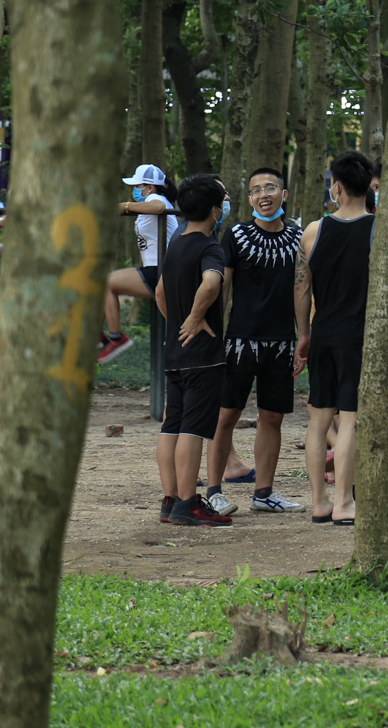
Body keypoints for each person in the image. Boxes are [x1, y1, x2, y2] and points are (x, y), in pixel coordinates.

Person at [209, 167, 305, 516]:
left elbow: (302, 291)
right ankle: (215, 492)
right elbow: (222, 288)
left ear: (285, 193)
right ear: (248, 199)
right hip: (238, 341)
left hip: (281, 343)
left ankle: (264, 493)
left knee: (272, 418)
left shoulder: (299, 238)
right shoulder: (235, 235)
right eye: (255, 190)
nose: (263, 195)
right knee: (226, 416)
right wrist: (215, 336)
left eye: (271, 188)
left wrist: (303, 336)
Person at [294, 151, 376, 526]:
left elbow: (301, 291)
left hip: (323, 334)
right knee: (351, 419)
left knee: (319, 421)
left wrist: (304, 334)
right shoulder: (380, 229)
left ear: (336, 187)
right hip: (360, 338)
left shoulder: (313, 231)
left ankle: (319, 502)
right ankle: (344, 502)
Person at [155, 174, 231, 527]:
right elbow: (212, 282)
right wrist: (195, 318)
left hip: (174, 355)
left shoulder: (174, 245)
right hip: (202, 356)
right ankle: (188, 502)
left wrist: (177, 325)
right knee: (194, 428)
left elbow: (159, 293)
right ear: (215, 210)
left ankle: (170, 500)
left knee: (171, 425)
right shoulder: (208, 246)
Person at [101, 163, 179, 363]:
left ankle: (116, 338)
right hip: (155, 268)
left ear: (150, 187)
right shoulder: (148, 202)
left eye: (138, 186)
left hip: (161, 271)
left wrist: (125, 206)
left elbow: (158, 207)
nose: (135, 190)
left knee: (106, 283)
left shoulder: (156, 198)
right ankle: (100, 338)